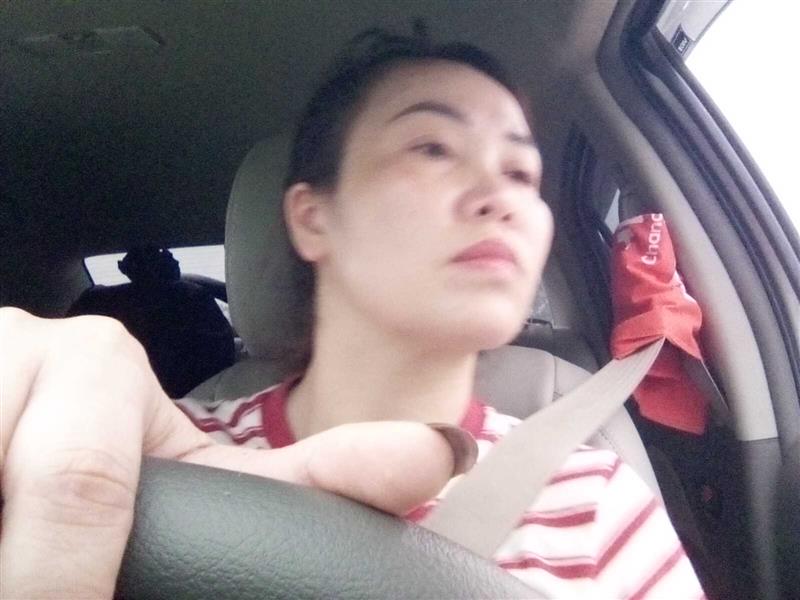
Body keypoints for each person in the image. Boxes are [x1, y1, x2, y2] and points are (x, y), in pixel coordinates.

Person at [0, 29, 704, 600]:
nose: (501, 195)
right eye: (432, 147)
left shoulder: (597, 504)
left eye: (522, 173)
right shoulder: (146, 453)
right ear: (313, 219)